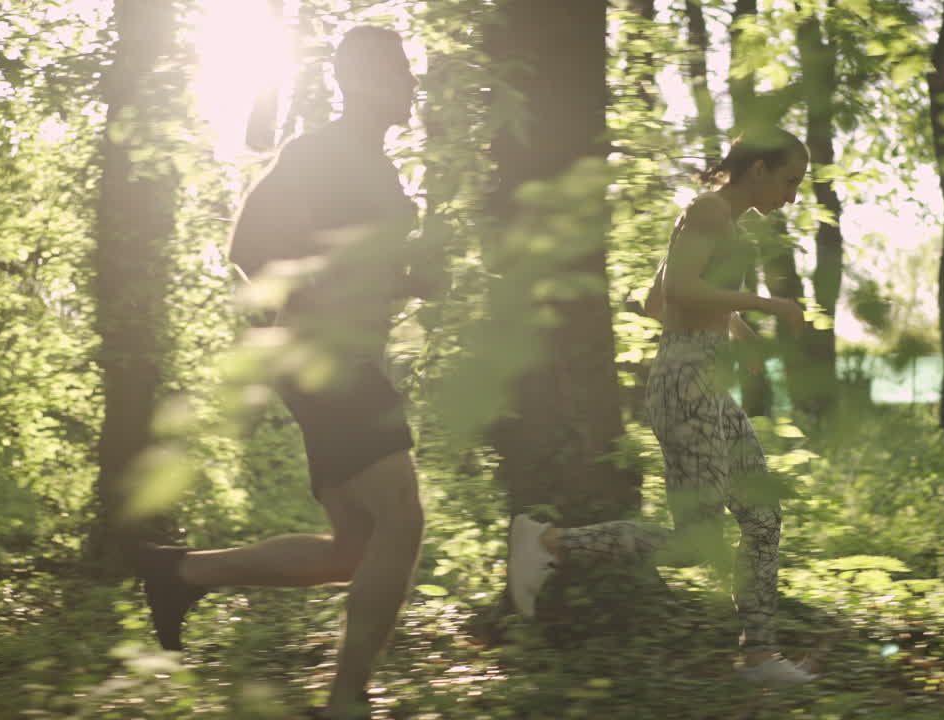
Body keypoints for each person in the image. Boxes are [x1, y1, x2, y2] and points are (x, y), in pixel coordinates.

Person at [137, 26, 443, 720]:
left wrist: (413, 278)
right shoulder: (320, 152)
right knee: (402, 519)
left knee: (354, 548)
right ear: (367, 80)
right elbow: (251, 247)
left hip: (343, 357)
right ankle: (346, 700)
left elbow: (362, 266)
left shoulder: (376, 165)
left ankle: (183, 572)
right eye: (403, 73)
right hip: (322, 356)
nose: (414, 87)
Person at [507, 128, 815, 686]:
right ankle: (547, 543)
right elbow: (680, 289)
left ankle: (759, 656)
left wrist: (738, 334)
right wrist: (766, 304)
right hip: (684, 383)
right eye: (790, 181)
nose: (791, 196)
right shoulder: (707, 211)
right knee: (695, 542)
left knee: (763, 518)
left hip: (706, 383)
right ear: (760, 169)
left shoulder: (719, 220)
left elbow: (655, 300)